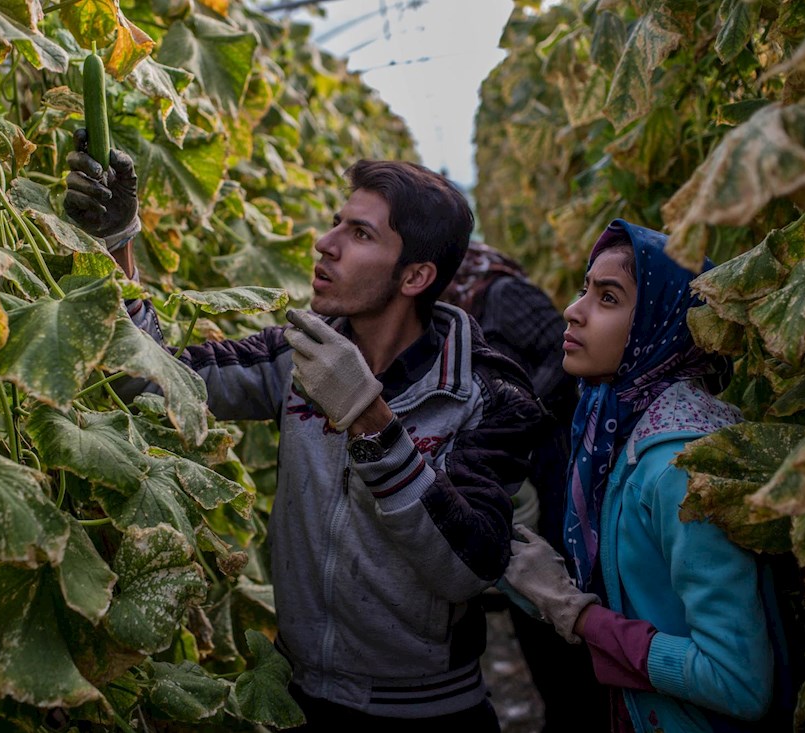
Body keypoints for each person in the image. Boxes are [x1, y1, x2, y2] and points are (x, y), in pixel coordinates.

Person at [64, 135, 547, 732]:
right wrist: (118, 244)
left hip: (429, 713)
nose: (326, 243)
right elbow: (156, 379)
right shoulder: (298, 355)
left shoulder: (490, 392)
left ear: (416, 275)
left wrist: (370, 417)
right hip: (302, 699)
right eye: (336, 222)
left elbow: (468, 568)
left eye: (361, 234)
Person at [500, 219, 777, 732]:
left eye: (608, 298)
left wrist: (577, 615)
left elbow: (738, 681)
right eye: (586, 289)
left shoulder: (679, 468)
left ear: (661, 323)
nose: (573, 310)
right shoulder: (616, 424)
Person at [440, 243, 609, 732]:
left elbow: (566, 358)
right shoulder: (457, 314)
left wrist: (514, 417)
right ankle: (562, 704)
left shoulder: (504, 293)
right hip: (517, 472)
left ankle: (581, 707)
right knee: (525, 584)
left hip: (550, 464)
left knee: (559, 579)